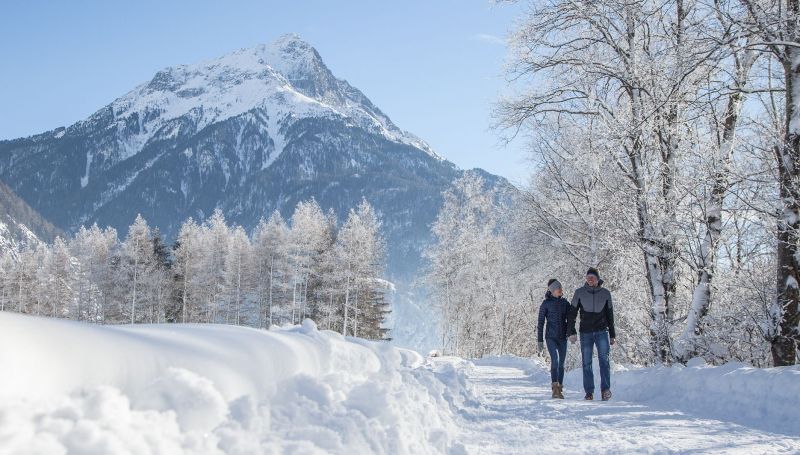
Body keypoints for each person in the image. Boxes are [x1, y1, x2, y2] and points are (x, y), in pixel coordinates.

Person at [567, 267, 616, 401]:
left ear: (597, 279)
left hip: (602, 331)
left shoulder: (606, 294)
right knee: (586, 363)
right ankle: (589, 392)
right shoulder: (579, 293)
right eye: (588, 277)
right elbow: (572, 314)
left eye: (592, 277)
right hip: (585, 332)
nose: (590, 279)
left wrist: (612, 334)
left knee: (604, 361)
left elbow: (610, 315)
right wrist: (571, 331)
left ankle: (605, 390)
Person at [537, 278, 570, 399]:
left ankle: (560, 389)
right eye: (558, 288)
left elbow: (571, 319)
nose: (561, 290)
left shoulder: (565, 303)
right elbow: (540, 323)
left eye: (561, 288)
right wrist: (539, 341)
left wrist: (571, 332)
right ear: (552, 291)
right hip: (550, 337)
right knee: (555, 361)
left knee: (561, 363)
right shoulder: (545, 304)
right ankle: (554, 388)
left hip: (562, 337)